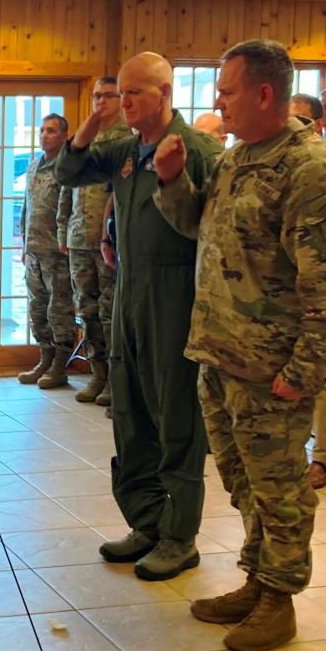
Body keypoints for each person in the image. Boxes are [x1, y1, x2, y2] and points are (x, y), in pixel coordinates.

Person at [155, 39, 326, 651]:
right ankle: (257, 580)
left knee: (280, 488)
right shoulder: (239, 157)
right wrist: (171, 183)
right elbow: (202, 227)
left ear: (264, 93)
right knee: (243, 482)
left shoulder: (310, 168)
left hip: (273, 368)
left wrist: (303, 372)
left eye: (227, 91)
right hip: (221, 356)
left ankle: (281, 600)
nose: (218, 101)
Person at [55, 52, 220, 581]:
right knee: (131, 415)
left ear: (164, 92)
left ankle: (180, 536)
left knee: (176, 419)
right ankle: (147, 520)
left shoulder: (194, 149)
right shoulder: (127, 149)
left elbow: (204, 230)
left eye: (133, 93)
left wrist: (174, 180)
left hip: (174, 296)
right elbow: (70, 170)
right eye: (117, 93)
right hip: (128, 291)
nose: (122, 102)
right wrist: (92, 122)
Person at [57, 77, 130, 405]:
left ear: (121, 99)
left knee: (110, 312)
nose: (101, 101)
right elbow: (66, 187)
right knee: (86, 310)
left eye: (109, 96)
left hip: (110, 243)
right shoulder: (85, 142)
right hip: (79, 238)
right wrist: (63, 231)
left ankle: (117, 382)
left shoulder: (127, 141)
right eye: (96, 96)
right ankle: (97, 374)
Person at [289, 95, 326, 489]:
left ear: (318, 124)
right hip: (282, 290)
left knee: (323, 377)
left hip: (319, 285)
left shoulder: (322, 162)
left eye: (302, 120)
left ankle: (325, 458)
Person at [17, 113, 76, 389]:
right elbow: (27, 206)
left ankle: (59, 365)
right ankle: (45, 357)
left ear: (64, 135)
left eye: (51, 131)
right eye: (41, 130)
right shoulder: (33, 166)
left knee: (59, 309)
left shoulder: (68, 168)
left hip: (58, 253)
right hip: (34, 252)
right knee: (37, 307)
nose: (44, 135)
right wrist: (23, 243)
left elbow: (70, 209)